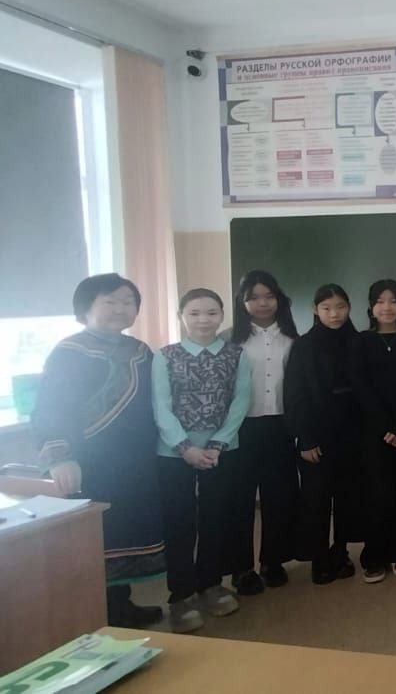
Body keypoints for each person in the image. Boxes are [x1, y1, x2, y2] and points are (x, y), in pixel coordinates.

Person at [30, 273, 167, 628]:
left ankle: (120, 606)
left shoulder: (140, 351)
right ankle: (91, 613)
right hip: (90, 463)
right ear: (85, 308)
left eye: (128, 302)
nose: (120, 309)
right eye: (109, 302)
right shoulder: (69, 352)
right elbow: (50, 408)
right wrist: (61, 457)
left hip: (135, 462)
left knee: (125, 529)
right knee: (94, 535)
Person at [154, 288, 252, 633]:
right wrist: (185, 447)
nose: (203, 320)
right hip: (173, 453)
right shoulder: (165, 356)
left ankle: (211, 584)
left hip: (222, 450)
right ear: (182, 316)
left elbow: (241, 401)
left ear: (222, 316)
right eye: (194, 313)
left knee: (216, 519)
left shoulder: (236, 354)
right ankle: (180, 596)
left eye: (211, 313)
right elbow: (161, 406)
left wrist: (217, 444)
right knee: (179, 523)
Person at [223, 270, 299, 596]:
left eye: (269, 296)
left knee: (279, 497)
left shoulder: (292, 337)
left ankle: (273, 561)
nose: (262, 303)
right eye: (254, 297)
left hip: (281, 425)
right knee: (239, 499)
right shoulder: (229, 339)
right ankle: (241, 569)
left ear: (279, 299)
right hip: (241, 427)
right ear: (242, 302)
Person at [348, 280, 396, 583]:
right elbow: (360, 387)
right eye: (380, 301)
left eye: (393, 301)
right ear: (371, 307)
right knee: (377, 494)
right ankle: (374, 556)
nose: (387, 307)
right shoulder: (360, 341)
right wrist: (387, 429)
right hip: (373, 431)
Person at [285, 284, 363, 585]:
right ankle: (319, 558)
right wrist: (305, 438)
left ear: (349, 308)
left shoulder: (358, 341)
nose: (334, 314)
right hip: (317, 434)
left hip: (352, 433)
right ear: (315, 310)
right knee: (316, 499)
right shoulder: (303, 345)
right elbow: (295, 395)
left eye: (340, 307)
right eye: (327, 308)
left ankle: (340, 551)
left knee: (348, 497)